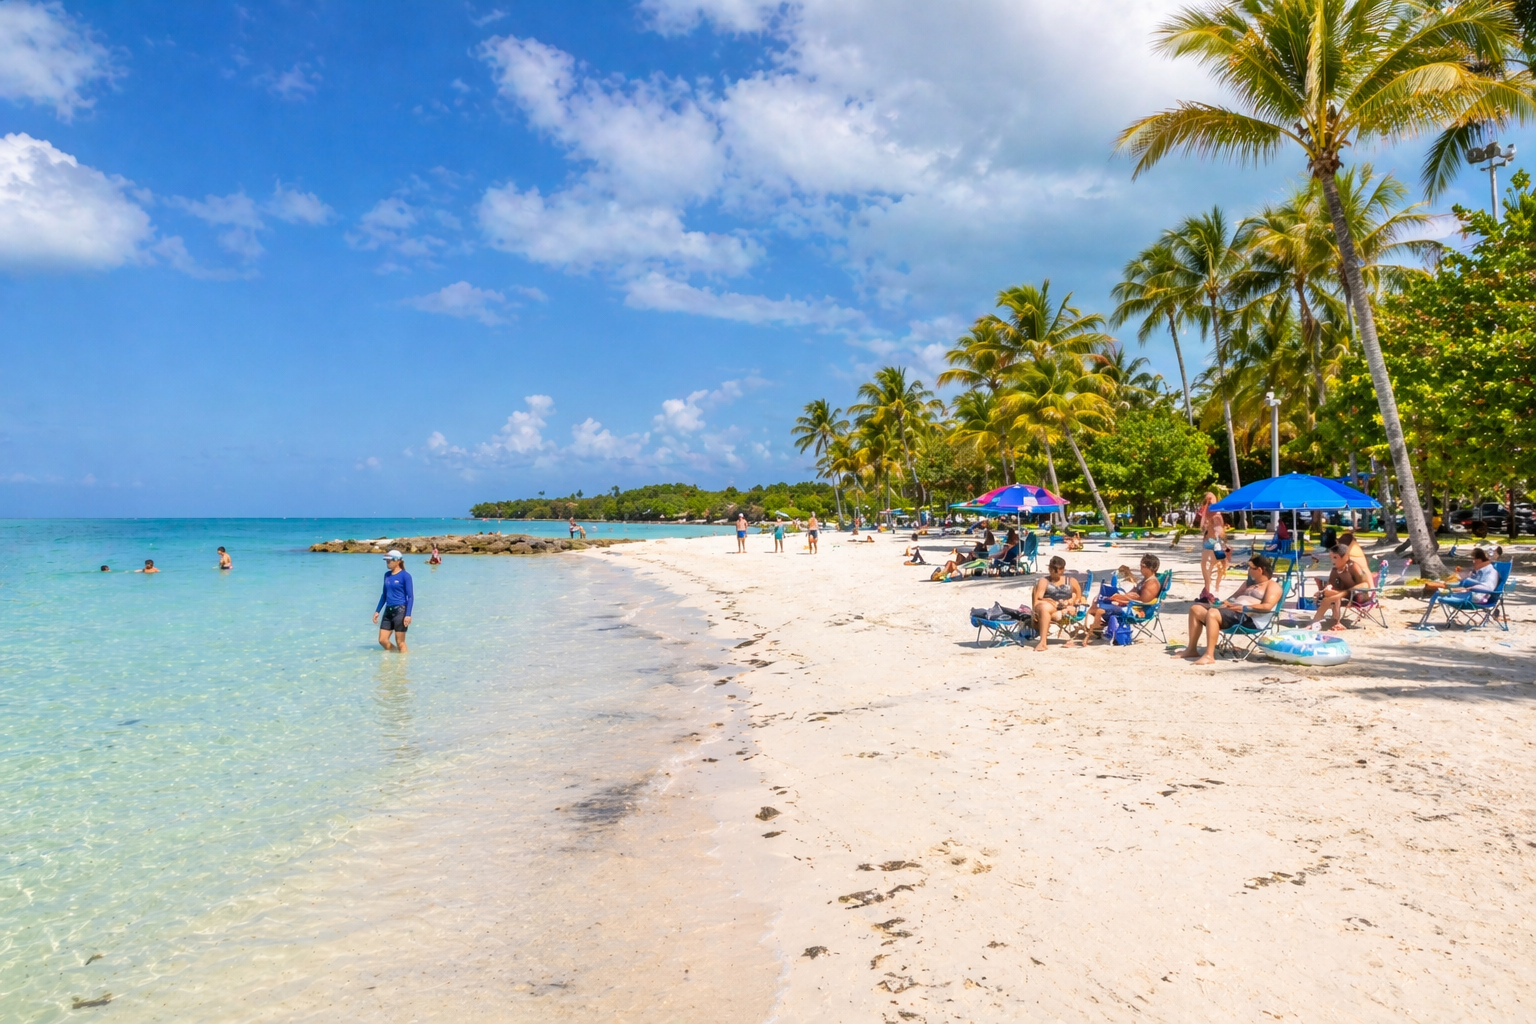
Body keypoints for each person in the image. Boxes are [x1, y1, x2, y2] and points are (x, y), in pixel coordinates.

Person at [1179, 555, 1283, 665]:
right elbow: (1232, 598)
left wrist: (1243, 608)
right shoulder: (1247, 584)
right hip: (1232, 614)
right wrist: (1218, 604)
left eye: (1250, 567)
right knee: (1196, 609)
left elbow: (1267, 606)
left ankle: (1209, 655)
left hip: (1248, 618)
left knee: (1213, 614)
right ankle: (1191, 650)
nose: (1248, 570)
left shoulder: (1272, 586)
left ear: (1259, 569)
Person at [1077, 553, 1162, 645]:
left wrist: (1122, 599)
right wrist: (1120, 596)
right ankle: (1098, 628)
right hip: (1131, 605)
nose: (1141, 567)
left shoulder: (1152, 584)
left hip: (1137, 611)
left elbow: (1142, 601)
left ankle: (1095, 630)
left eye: (1143, 565)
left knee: (1099, 609)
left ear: (1151, 568)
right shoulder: (1146, 580)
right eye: (1141, 564)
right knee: (1097, 602)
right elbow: (1134, 594)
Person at [1305, 544, 1368, 630]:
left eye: (1335, 557)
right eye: (1331, 557)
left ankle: (1334, 622)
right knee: (1328, 595)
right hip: (1345, 595)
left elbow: (1364, 584)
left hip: (1359, 595)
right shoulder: (1336, 569)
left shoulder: (1353, 567)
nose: (1332, 560)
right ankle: (1320, 622)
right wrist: (1327, 588)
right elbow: (1331, 583)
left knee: (1333, 596)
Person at [1031, 556, 1083, 652]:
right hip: (1049, 605)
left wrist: (1072, 600)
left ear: (1063, 570)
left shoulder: (1071, 581)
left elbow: (1080, 598)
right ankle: (1043, 642)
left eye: (1056, 571)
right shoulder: (1044, 581)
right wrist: (1050, 600)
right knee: (1044, 607)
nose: (1053, 573)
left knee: (1052, 610)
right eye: (1051, 570)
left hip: (1065, 607)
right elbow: (1038, 598)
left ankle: (1057, 616)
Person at [1422, 547, 1500, 603]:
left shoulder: (1491, 572)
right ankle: (1440, 589)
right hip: (1467, 593)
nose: (1473, 562)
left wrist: (1468, 587)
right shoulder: (1478, 571)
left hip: (1475, 597)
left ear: (1480, 560)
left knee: (1442, 590)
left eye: (1474, 560)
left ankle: (1442, 590)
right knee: (1442, 587)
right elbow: (1464, 577)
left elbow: (1487, 587)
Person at [373, 550, 414, 652]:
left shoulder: (405, 576)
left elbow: (410, 597)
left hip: (400, 611)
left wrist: (408, 614)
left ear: (397, 561)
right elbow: (384, 595)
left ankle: (403, 665)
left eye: (389, 560)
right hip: (388, 611)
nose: (387, 562)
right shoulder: (387, 575)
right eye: (386, 561)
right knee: (382, 640)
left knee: (400, 643)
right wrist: (377, 611)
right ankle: (395, 657)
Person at [1199, 492, 1228, 598]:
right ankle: (1207, 587)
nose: (1209, 502)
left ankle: (1216, 587)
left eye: (1211, 500)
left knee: (1219, 565)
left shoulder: (1217, 514)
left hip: (1216, 542)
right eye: (1207, 500)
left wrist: (1223, 541)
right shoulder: (1206, 514)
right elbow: (1203, 528)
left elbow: (1220, 531)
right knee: (1205, 564)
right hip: (1209, 541)